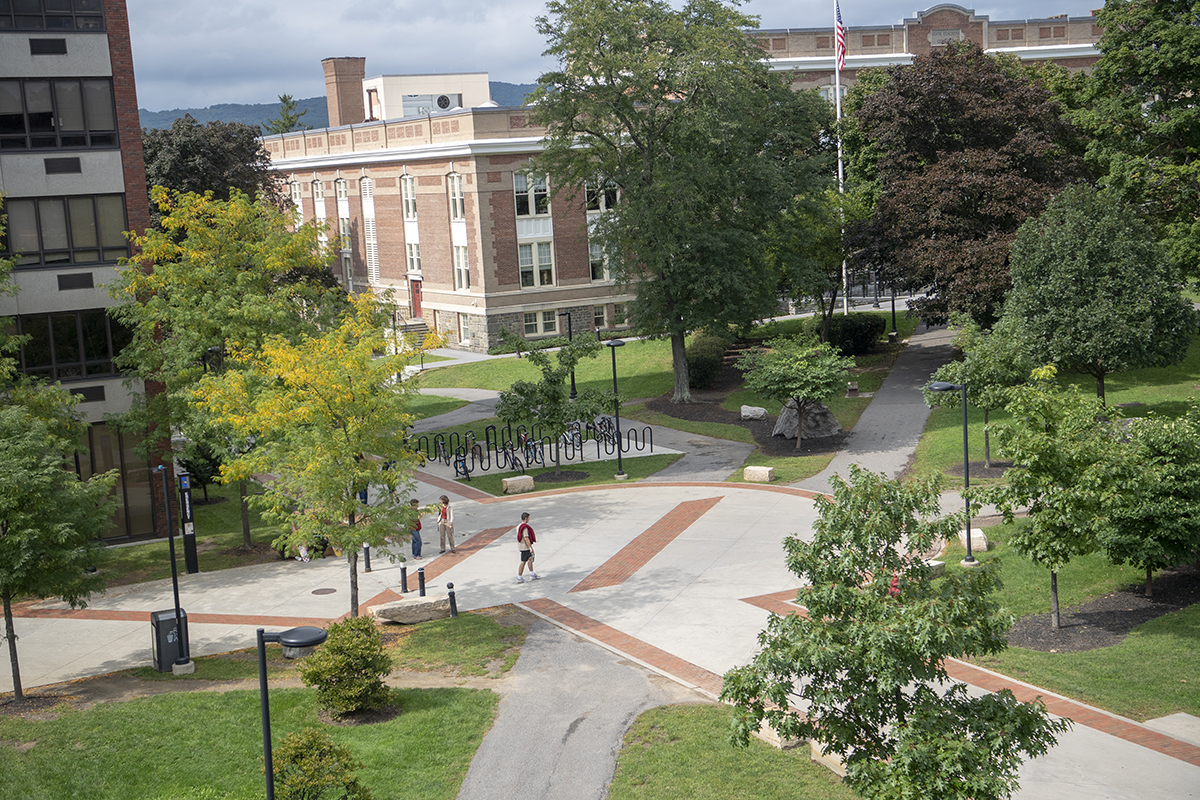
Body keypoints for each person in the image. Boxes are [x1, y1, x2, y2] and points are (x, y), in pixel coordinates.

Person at [516, 512, 539, 583]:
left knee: (530, 559)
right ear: (526, 518)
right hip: (525, 547)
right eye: (528, 518)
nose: (529, 519)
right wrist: (530, 547)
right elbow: (526, 538)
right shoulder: (525, 528)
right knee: (523, 562)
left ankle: (532, 573)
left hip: (521, 546)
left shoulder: (518, 526)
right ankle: (519, 577)